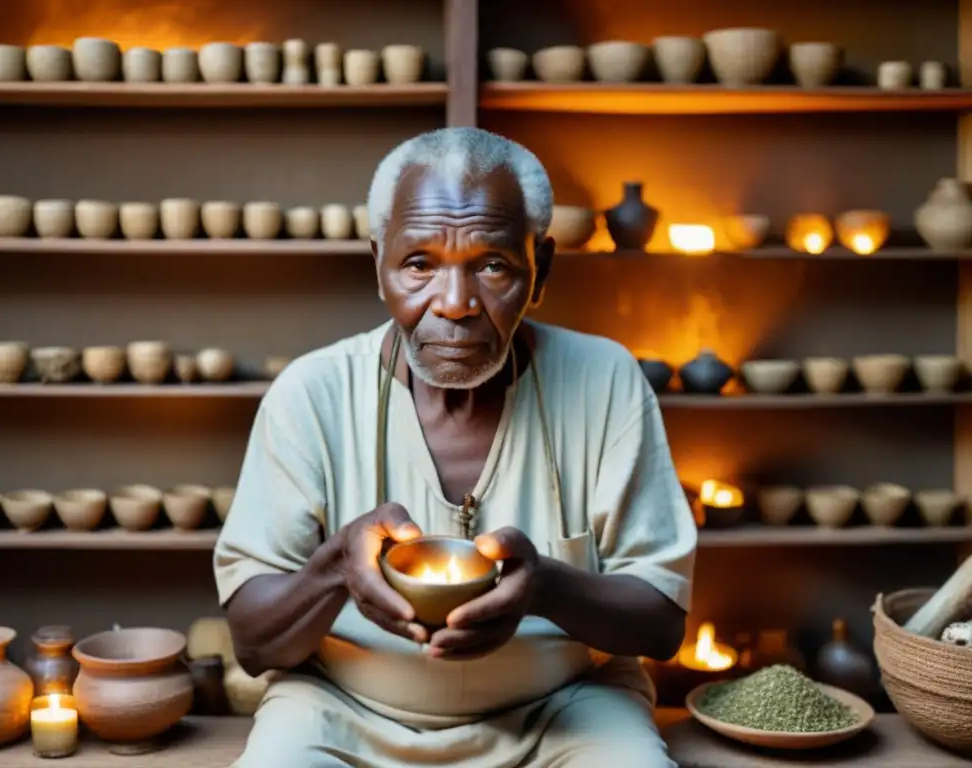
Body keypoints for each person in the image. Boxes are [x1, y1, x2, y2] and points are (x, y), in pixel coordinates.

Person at [214, 127, 697, 767]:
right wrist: (337, 568)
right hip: (344, 711)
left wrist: (544, 587)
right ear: (378, 265)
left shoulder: (604, 379)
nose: (456, 304)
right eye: (419, 264)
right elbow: (253, 643)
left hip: (564, 707)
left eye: (492, 265)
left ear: (540, 270)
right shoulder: (312, 393)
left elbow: (661, 623)